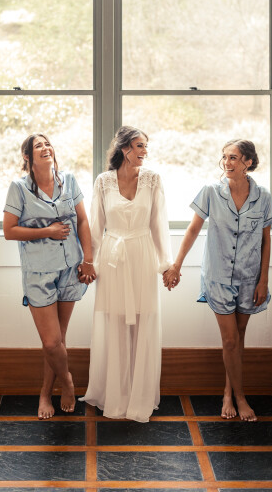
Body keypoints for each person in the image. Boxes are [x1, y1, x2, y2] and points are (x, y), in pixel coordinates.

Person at [163, 139, 272, 421]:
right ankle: (240, 397)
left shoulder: (263, 196)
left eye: (234, 158)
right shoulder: (211, 192)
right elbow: (192, 230)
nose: (227, 162)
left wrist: (263, 280)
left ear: (248, 162)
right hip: (218, 276)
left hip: (250, 278)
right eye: (225, 157)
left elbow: (266, 240)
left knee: (238, 338)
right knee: (229, 340)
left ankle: (228, 391)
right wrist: (176, 265)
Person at [79, 126, 172, 423]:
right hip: (112, 258)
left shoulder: (153, 179)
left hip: (142, 255)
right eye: (140, 145)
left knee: (144, 321)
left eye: (146, 146)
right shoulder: (103, 181)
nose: (145, 151)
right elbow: (95, 226)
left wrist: (166, 265)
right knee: (115, 321)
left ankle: (139, 397)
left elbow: (159, 224)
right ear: (124, 149)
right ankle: (115, 396)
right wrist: (89, 262)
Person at [3, 133, 96, 419]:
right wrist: (48, 231)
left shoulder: (69, 181)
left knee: (59, 339)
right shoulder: (19, 188)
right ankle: (67, 381)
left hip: (70, 268)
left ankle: (45, 393)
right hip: (38, 273)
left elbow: (83, 220)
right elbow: (9, 231)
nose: (45, 148)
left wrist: (88, 260)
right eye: (38, 146)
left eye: (47, 143)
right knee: (51, 342)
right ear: (27, 157)